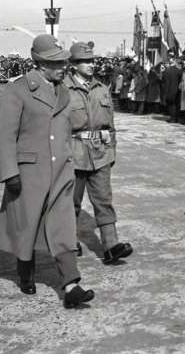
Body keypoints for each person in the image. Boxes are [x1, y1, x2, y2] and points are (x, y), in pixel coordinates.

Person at [0, 34, 94, 308]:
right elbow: (4, 134)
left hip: (61, 171)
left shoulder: (64, 91)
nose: (64, 67)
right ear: (40, 64)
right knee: (27, 227)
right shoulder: (18, 90)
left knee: (63, 226)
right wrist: (10, 172)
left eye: (64, 62)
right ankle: (25, 271)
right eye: (57, 63)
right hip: (29, 173)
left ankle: (71, 285)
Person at [64, 42, 133, 265]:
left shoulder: (102, 89)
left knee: (104, 199)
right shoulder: (62, 89)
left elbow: (110, 125)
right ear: (73, 65)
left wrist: (112, 150)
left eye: (92, 61)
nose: (91, 65)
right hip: (74, 154)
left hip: (100, 153)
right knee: (71, 201)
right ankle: (68, 241)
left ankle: (111, 245)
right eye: (85, 61)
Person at [162, 51, 182, 123]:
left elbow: (163, 81)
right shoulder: (179, 70)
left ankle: (172, 118)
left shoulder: (167, 71)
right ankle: (175, 118)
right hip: (177, 90)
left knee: (171, 105)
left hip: (169, 90)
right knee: (176, 104)